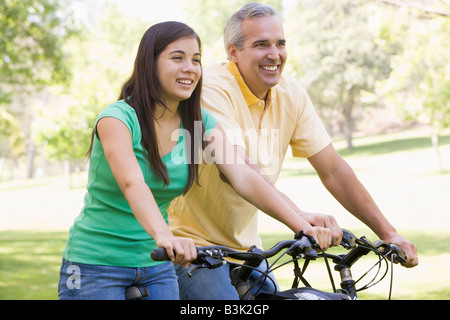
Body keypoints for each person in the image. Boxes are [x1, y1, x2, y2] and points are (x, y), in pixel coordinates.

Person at [58, 21, 332, 300]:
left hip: (157, 265)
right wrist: (164, 235)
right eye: (177, 58)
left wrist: (299, 224)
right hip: (96, 264)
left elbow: (245, 177)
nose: (190, 67)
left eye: (196, 60)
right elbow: (132, 184)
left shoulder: (198, 123)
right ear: (149, 64)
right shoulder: (117, 119)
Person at [168, 3, 419, 300]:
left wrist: (388, 233)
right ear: (233, 53)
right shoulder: (212, 87)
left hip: (247, 250)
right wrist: (300, 221)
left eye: (280, 44)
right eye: (261, 44)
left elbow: (333, 168)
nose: (274, 54)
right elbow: (239, 172)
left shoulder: (291, 93)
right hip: (189, 246)